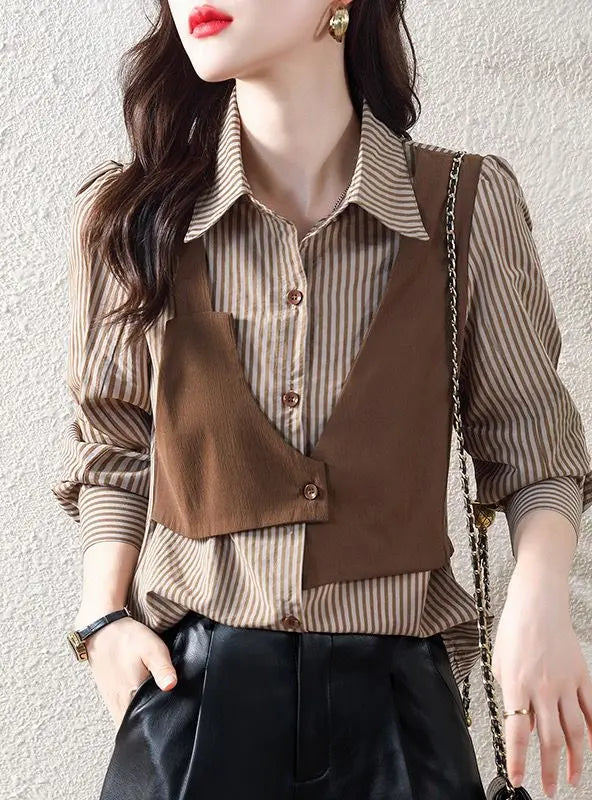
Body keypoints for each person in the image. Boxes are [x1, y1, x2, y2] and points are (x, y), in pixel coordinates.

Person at [55, 1, 592, 798]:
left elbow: (532, 444)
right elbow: (116, 443)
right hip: (192, 705)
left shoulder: (462, 207)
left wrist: (539, 598)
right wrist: (102, 618)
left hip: (399, 715)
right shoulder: (134, 217)